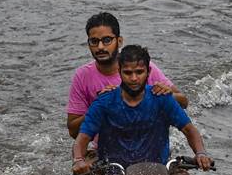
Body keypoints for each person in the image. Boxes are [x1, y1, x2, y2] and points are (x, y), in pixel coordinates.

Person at [72, 45, 212, 175]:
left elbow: (189, 130)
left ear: (148, 72)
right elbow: (82, 139)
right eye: (128, 73)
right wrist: (78, 160)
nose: (133, 78)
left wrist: (201, 153)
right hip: (113, 173)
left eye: (139, 72)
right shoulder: (104, 102)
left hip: (159, 171)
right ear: (119, 72)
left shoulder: (162, 99)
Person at [66, 12, 188, 144]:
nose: (100, 47)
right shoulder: (82, 76)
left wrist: (161, 94)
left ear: (119, 41)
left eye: (107, 40)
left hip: (147, 145)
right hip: (105, 150)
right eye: (94, 41)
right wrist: (100, 105)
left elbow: (183, 102)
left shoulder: (141, 68)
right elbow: (73, 132)